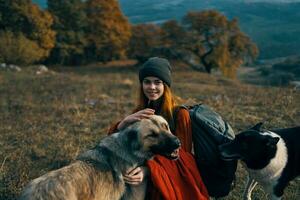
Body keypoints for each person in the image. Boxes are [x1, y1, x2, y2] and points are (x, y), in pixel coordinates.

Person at [108, 57, 209, 200]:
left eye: (157, 82)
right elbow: (117, 142)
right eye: (147, 82)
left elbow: (181, 157)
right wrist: (124, 123)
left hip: (169, 178)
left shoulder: (180, 114)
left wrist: (147, 170)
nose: (152, 87)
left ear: (166, 86)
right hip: (139, 171)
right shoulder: (141, 112)